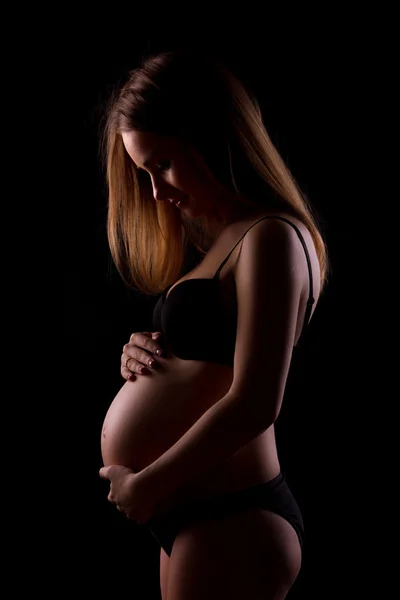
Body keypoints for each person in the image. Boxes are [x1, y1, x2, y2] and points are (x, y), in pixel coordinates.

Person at [98, 48, 329, 600]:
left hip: (235, 513)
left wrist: (149, 484)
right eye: (144, 172)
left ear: (210, 138)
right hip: (194, 510)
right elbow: (212, 358)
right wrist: (149, 351)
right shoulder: (229, 237)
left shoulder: (272, 236)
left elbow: (255, 400)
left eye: (163, 164)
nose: (156, 193)